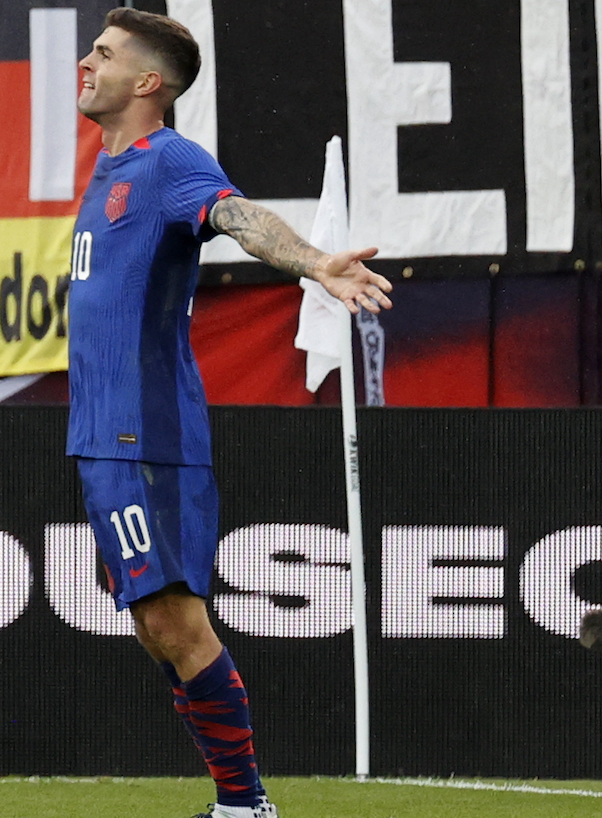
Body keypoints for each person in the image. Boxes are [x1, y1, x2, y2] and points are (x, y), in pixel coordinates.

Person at [67, 10, 392, 818]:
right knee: (154, 624)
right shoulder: (108, 170)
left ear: (148, 83)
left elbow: (237, 217)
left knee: (175, 623)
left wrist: (318, 264)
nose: (85, 62)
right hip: (103, 438)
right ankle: (240, 804)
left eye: (103, 54)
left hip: (147, 434)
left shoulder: (169, 159)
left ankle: (245, 805)